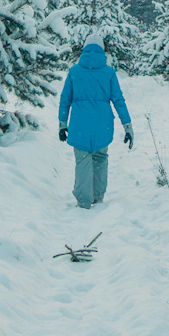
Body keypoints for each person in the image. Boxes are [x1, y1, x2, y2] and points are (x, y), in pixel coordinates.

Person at [57, 32, 132, 209]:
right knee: (100, 158)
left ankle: (83, 200)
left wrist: (62, 124)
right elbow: (119, 100)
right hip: (102, 125)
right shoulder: (109, 73)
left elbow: (65, 99)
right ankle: (98, 198)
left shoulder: (74, 71)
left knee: (82, 160)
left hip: (79, 125)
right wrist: (127, 126)